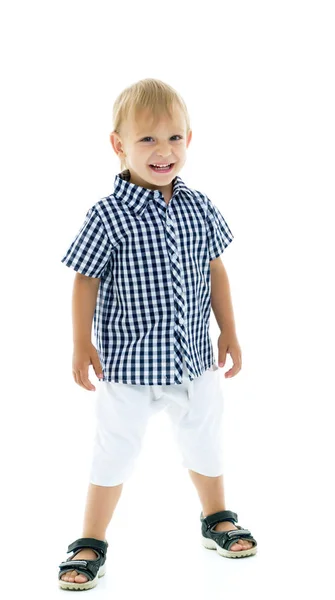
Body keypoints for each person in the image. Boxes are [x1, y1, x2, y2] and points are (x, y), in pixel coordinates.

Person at [58, 78, 257, 590]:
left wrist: (229, 330)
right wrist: (82, 342)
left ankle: (216, 517)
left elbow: (215, 269)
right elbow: (86, 279)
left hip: (193, 358)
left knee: (205, 440)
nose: (163, 151)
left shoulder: (199, 207)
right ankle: (91, 538)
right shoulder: (109, 215)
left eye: (174, 138)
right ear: (118, 145)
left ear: (189, 140)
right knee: (115, 448)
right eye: (147, 140)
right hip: (129, 363)